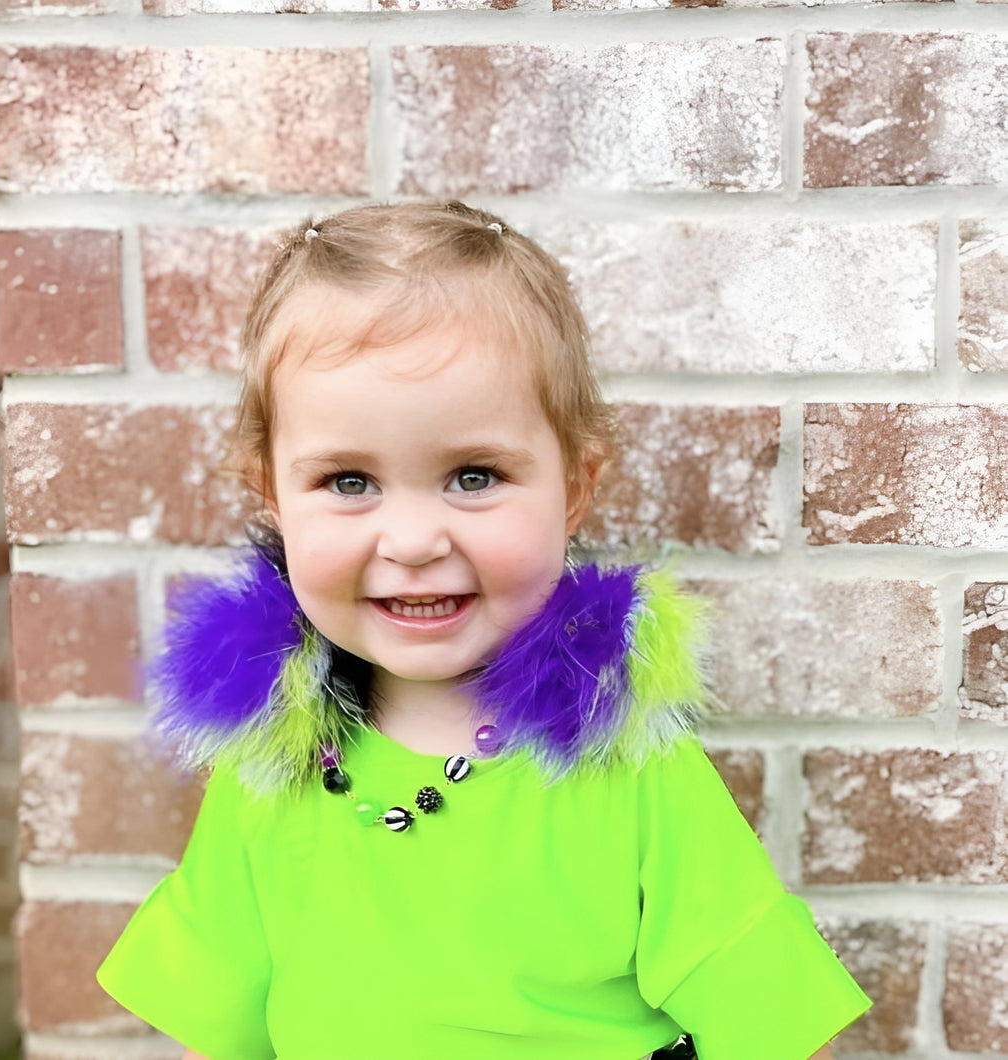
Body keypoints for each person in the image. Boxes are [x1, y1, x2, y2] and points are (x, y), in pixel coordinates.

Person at [96, 200, 872, 1060]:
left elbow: (776, 1026)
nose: (417, 541)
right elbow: (221, 1030)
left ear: (574, 487)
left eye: (474, 475)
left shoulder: (631, 768)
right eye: (349, 482)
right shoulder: (267, 773)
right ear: (272, 496)